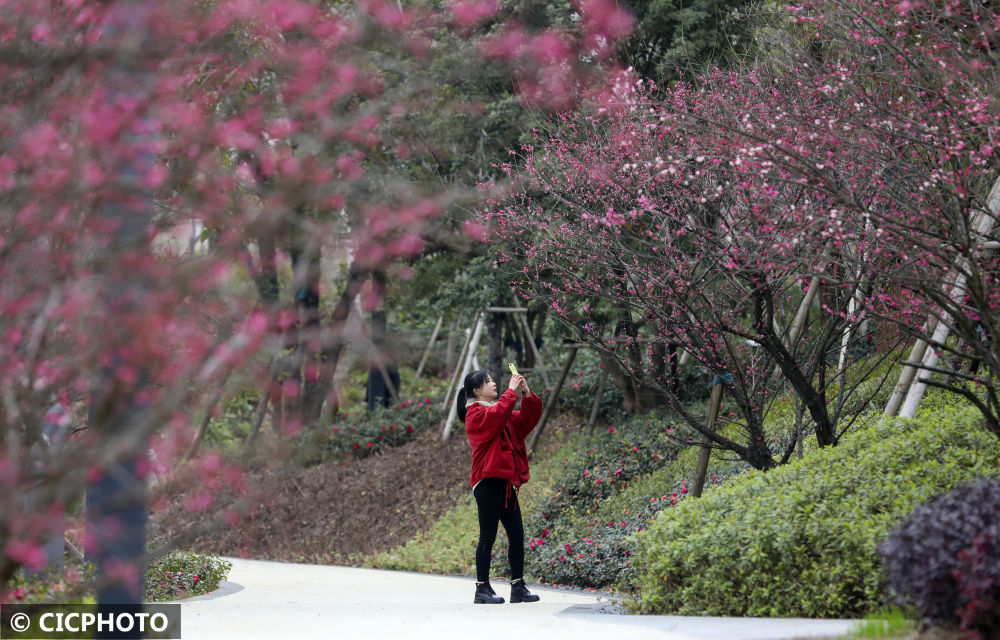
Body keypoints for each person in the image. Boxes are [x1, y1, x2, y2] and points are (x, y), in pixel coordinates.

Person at [457, 369, 543, 604]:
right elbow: (496, 418)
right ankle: (481, 589)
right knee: (488, 536)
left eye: (494, 380)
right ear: (476, 390)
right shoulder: (474, 415)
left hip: (505, 483)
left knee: (517, 535)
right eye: (489, 381)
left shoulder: (500, 411)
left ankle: (518, 586)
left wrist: (526, 393)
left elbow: (526, 421)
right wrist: (511, 392)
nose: (494, 384)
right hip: (487, 483)